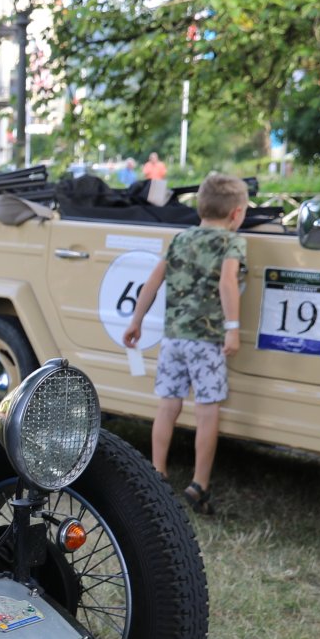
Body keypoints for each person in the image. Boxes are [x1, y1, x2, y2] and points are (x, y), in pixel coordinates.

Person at [121, 173, 248, 515]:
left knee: (167, 406)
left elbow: (152, 281)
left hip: (173, 339)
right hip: (206, 341)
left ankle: (157, 472)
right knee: (207, 412)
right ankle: (199, 484)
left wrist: (135, 321)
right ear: (236, 213)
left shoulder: (180, 238)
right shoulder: (232, 242)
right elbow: (227, 283)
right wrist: (232, 328)